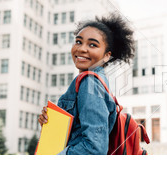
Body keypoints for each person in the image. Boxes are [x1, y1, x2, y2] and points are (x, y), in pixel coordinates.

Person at [38, 13, 135, 155]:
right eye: (78, 41)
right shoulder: (93, 81)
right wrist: (51, 126)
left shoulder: (90, 83)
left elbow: (94, 149)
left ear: (107, 55)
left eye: (92, 45)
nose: (82, 49)